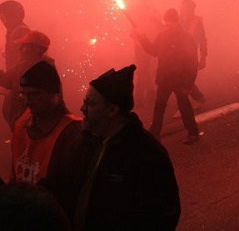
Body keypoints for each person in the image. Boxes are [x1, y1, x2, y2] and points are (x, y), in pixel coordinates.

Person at [68, 64, 180, 231]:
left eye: (90, 104)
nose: (82, 109)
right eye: (85, 102)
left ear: (112, 110)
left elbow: (164, 214)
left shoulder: (147, 154)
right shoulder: (89, 141)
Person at [11, 61, 82, 184]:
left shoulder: (73, 133)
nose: (27, 102)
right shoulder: (21, 125)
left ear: (56, 95)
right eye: (24, 94)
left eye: (35, 94)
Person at [137, 8, 200, 144]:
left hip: (180, 79)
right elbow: (153, 51)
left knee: (184, 106)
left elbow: (192, 63)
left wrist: (188, 84)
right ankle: (154, 136)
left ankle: (193, 132)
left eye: (170, 24)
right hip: (164, 78)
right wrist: (143, 39)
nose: (167, 26)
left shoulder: (185, 38)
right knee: (159, 107)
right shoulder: (162, 36)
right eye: (166, 24)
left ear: (176, 22)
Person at [1, 30, 54, 130]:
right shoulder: (25, 66)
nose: (20, 49)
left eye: (25, 46)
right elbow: (6, 79)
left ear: (37, 49)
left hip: (33, 129)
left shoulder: (43, 72)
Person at [179, 0, 208, 107]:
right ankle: (199, 98)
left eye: (185, 8)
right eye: (182, 7)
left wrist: (203, 58)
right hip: (179, 55)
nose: (182, 10)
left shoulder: (197, 22)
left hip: (191, 55)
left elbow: (203, 40)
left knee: (185, 80)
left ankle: (188, 105)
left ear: (191, 10)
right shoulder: (178, 21)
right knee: (182, 80)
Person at [0, 0, 29, 71]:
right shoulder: (13, 31)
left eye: (3, 17)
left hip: (18, 78)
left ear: (11, 16)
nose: (2, 21)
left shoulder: (20, 32)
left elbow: (21, 60)